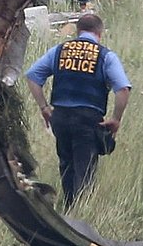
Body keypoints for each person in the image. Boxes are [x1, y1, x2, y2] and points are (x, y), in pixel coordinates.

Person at [26, 14, 131, 209]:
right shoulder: (105, 55)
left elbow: (33, 76)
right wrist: (116, 119)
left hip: (60, 116)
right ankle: (81, 217)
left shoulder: (59, 50)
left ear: (77, 31)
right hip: (88, 119)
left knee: (67, 165)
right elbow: (123, 89)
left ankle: (68, 209)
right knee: (85, 169)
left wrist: (44, 107)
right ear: (100, 33)